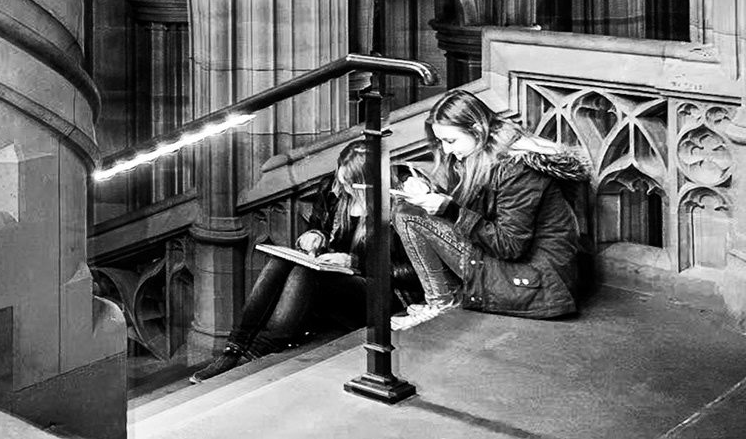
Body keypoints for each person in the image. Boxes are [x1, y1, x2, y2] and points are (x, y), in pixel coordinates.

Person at [191, 138, 423, 383]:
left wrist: (355, 262)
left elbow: (414, 272)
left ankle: (259, 350)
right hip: (338, 279)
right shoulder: (334, 192)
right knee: (280, 262)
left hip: (381, 293)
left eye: (351, 186)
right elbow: (319, 226)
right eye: (341, 182)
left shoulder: (398, 207)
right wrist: (315, 235)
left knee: (307, 275)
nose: (344, 190)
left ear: (370, 183)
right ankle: (234, 349)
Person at [391, 89, 590, 325]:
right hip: (520, 267)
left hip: (534, 279)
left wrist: (450, 210)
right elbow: (463, 197)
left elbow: (510, 246)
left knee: (408, 216)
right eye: (440, 141)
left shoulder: (518, 169)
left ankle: (441, 303)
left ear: (477, 129)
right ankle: (444, 300)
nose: (445, 150)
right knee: (407, 209)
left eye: (450, 140)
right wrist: (420, 184)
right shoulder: (484, 152)